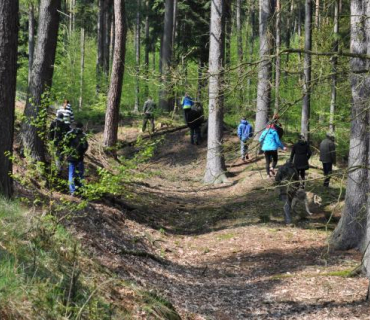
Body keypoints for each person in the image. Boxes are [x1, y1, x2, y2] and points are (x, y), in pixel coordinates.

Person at [65, 122, 88, 195]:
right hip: (80, 158)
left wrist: (68, 152)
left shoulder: (69, 134)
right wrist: (82, 152)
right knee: (80, 174)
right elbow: (85, 146)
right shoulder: (83, 135)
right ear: (82, 127)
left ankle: (72, 190)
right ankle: (82, 190)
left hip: (71, 157)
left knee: (71, 173)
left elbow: (66, 143)